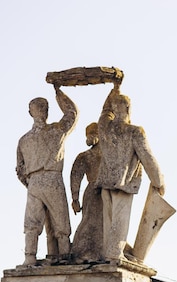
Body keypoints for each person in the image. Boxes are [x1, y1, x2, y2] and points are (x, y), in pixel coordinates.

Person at [96, 84, 165, 263]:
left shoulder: (104, 127)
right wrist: (158, 180)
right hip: (124, 182)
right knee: (120, 220)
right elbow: (147, 157)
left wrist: (114, 89)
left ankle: (108, 253)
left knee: (108, 220)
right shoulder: (134, 131)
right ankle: (115, 254)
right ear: (128, 108)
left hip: (105, 181)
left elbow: (104, 112)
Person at [16, 86, 78, 265]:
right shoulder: (56, 130)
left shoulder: (24, 140)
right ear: (48, 111)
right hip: (52, 178)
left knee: (32, 223)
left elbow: (20, 169)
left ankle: (29, 257)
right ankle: (65, 256)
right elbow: (72, 113)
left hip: (34, 182)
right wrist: (59, 93)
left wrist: (30, 182)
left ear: (30, 113)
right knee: (61, 221)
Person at [70, 122, 103, 263]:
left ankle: (103, 251)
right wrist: (75, 199)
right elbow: (75, 176)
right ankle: (82, 251)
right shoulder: (84, 156)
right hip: (92, 193)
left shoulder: (111, 154)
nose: (89, 138)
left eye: (92, 134)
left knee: (105, 222)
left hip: (108, 191)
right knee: (89, 222)